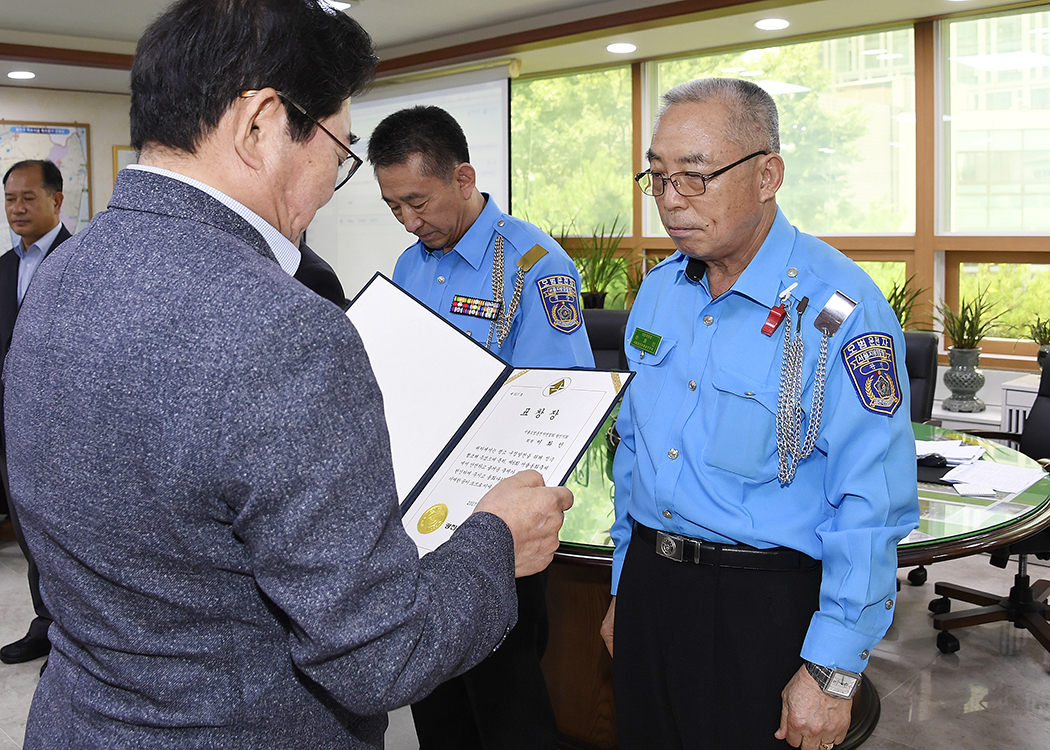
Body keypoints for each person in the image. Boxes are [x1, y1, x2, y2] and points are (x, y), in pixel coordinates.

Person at [3, 2, 571, 749]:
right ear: (262, 123)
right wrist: (496, 538)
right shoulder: (285, 327)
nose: (332, 184)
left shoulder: (60, 275)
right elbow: (378, 655)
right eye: (338, 151)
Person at [600, 78, 919, 750]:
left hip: (761, 607)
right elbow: (634, 456)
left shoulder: (841, 312)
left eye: (694, 177)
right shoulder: (659, 294)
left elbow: (872, 504)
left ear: (768, 173)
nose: (670, 201)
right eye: (656, 178)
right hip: (653, 590)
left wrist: (831, 670)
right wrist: (626, 589)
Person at [367, 105, 594, 750]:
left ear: (463, 177)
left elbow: (564, 400)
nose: (410, 221)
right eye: (394, 207)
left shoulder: (532, 267)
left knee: (508, 704)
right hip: (423, 517)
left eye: (418, 201)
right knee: (436, 696)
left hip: (502, 518)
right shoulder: (411, 265)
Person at [0, 159, 71, 668]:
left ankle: (76, 642)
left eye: (29, 198)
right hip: (9, 430)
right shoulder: (2, 268)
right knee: (29, 536)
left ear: (56, 200)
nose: (17, 208)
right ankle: (45, 624)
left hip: (63, 430)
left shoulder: (82, 260)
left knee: (67, 537)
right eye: (10, 199)